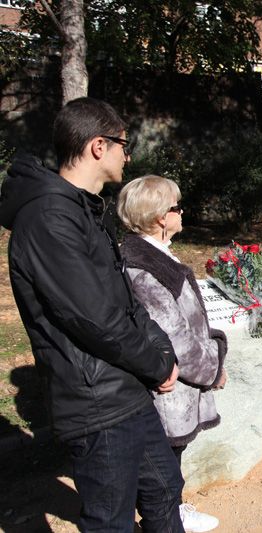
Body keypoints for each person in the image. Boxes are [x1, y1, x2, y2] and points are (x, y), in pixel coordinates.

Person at [0, 98, 184, 532]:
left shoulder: (82, 209)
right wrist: (158, 363)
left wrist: (160, 348)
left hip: (127, 387)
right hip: (96, 403)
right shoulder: (49, 218)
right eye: (124, 144)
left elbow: (125, 300)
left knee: (163, 487)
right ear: (98, 146)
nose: (128, 154)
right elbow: (94, 319)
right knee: (110, 520)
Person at [118, 175, 226, 532]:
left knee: (169, 460)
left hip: (178, 380)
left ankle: (173, 510)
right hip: (167, 383)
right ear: (160, 217)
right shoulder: (143, 267)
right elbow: (174, 335)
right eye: (177, 206)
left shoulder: (155, 256)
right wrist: (212, 370)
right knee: (162, 464)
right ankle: (166, 516)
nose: (183, 211)